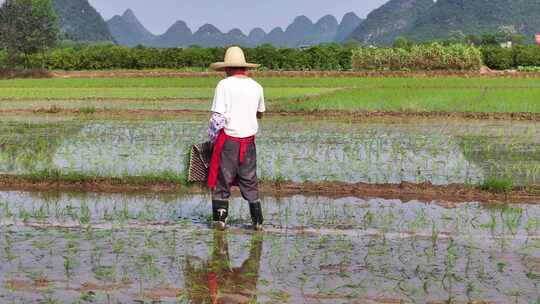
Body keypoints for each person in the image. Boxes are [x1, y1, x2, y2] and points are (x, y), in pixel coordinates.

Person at [207, 46, 265, 230]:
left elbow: (217, 118)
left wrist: (211, 142)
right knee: (249, 180)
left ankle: (220, 222)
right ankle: (258, 222)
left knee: (222, 180)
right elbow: (260, 113)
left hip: (228, 141)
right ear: (246, 68)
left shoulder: (224, 85)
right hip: (248, 142)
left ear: (227, 68)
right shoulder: (257, 86)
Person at [183, 231, 264, 303]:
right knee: (252, 263)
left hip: (224, 288)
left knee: (221, 250)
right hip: (233, 291)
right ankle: (258, 231)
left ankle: (220, 233)